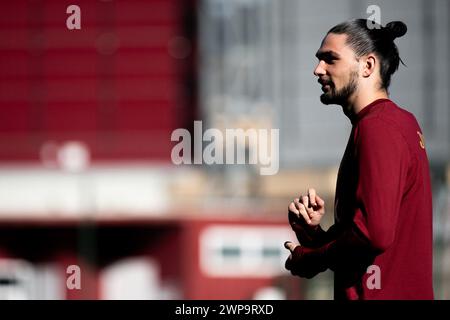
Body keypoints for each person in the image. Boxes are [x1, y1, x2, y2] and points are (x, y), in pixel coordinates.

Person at [283, 19, 434, 300]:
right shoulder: (396, 122)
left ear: (367, 66)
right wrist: (315, 236)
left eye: (330, 59)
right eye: (319, 60)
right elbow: (367, 239)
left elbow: (374, 235)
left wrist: (313, 257)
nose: (318, 70)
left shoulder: (378, 127)